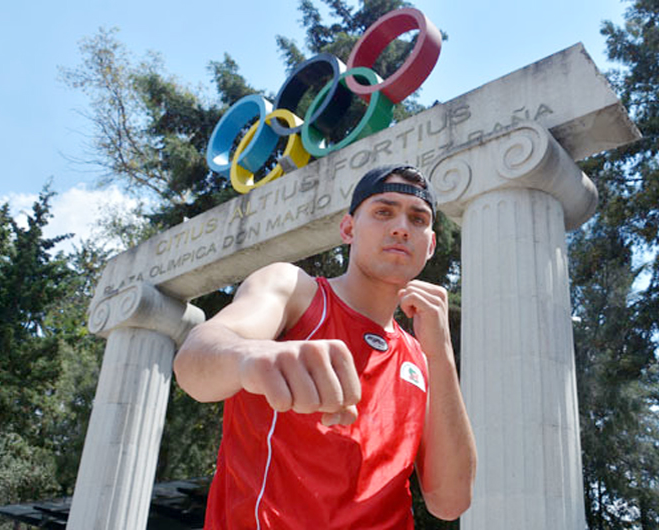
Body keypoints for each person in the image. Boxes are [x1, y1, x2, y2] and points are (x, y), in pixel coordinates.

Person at [173, 164, 477, 529]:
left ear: (430, 246)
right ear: (348, 228)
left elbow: (450, 501)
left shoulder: (421, 356)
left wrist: (441, 353)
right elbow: (194, 362)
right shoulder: (294, 291)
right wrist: (251, 356)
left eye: (417, 219)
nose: (401, 227)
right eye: (383, 211)